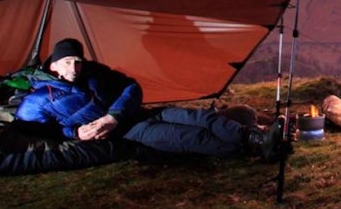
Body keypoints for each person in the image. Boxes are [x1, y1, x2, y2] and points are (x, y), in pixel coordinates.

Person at [15, 38, 285, 160]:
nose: (74, 68)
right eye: (67, 62)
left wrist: (114, 114)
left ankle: (258, 139)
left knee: (200, 117)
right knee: (189, 137)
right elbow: (43, 134)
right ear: (53, 66)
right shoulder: (37, 100)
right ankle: (254, 147)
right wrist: (75, 132)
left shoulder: (95, 72)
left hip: (134, 114)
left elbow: (131, 87)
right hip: (128, 131)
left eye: (77, 61)